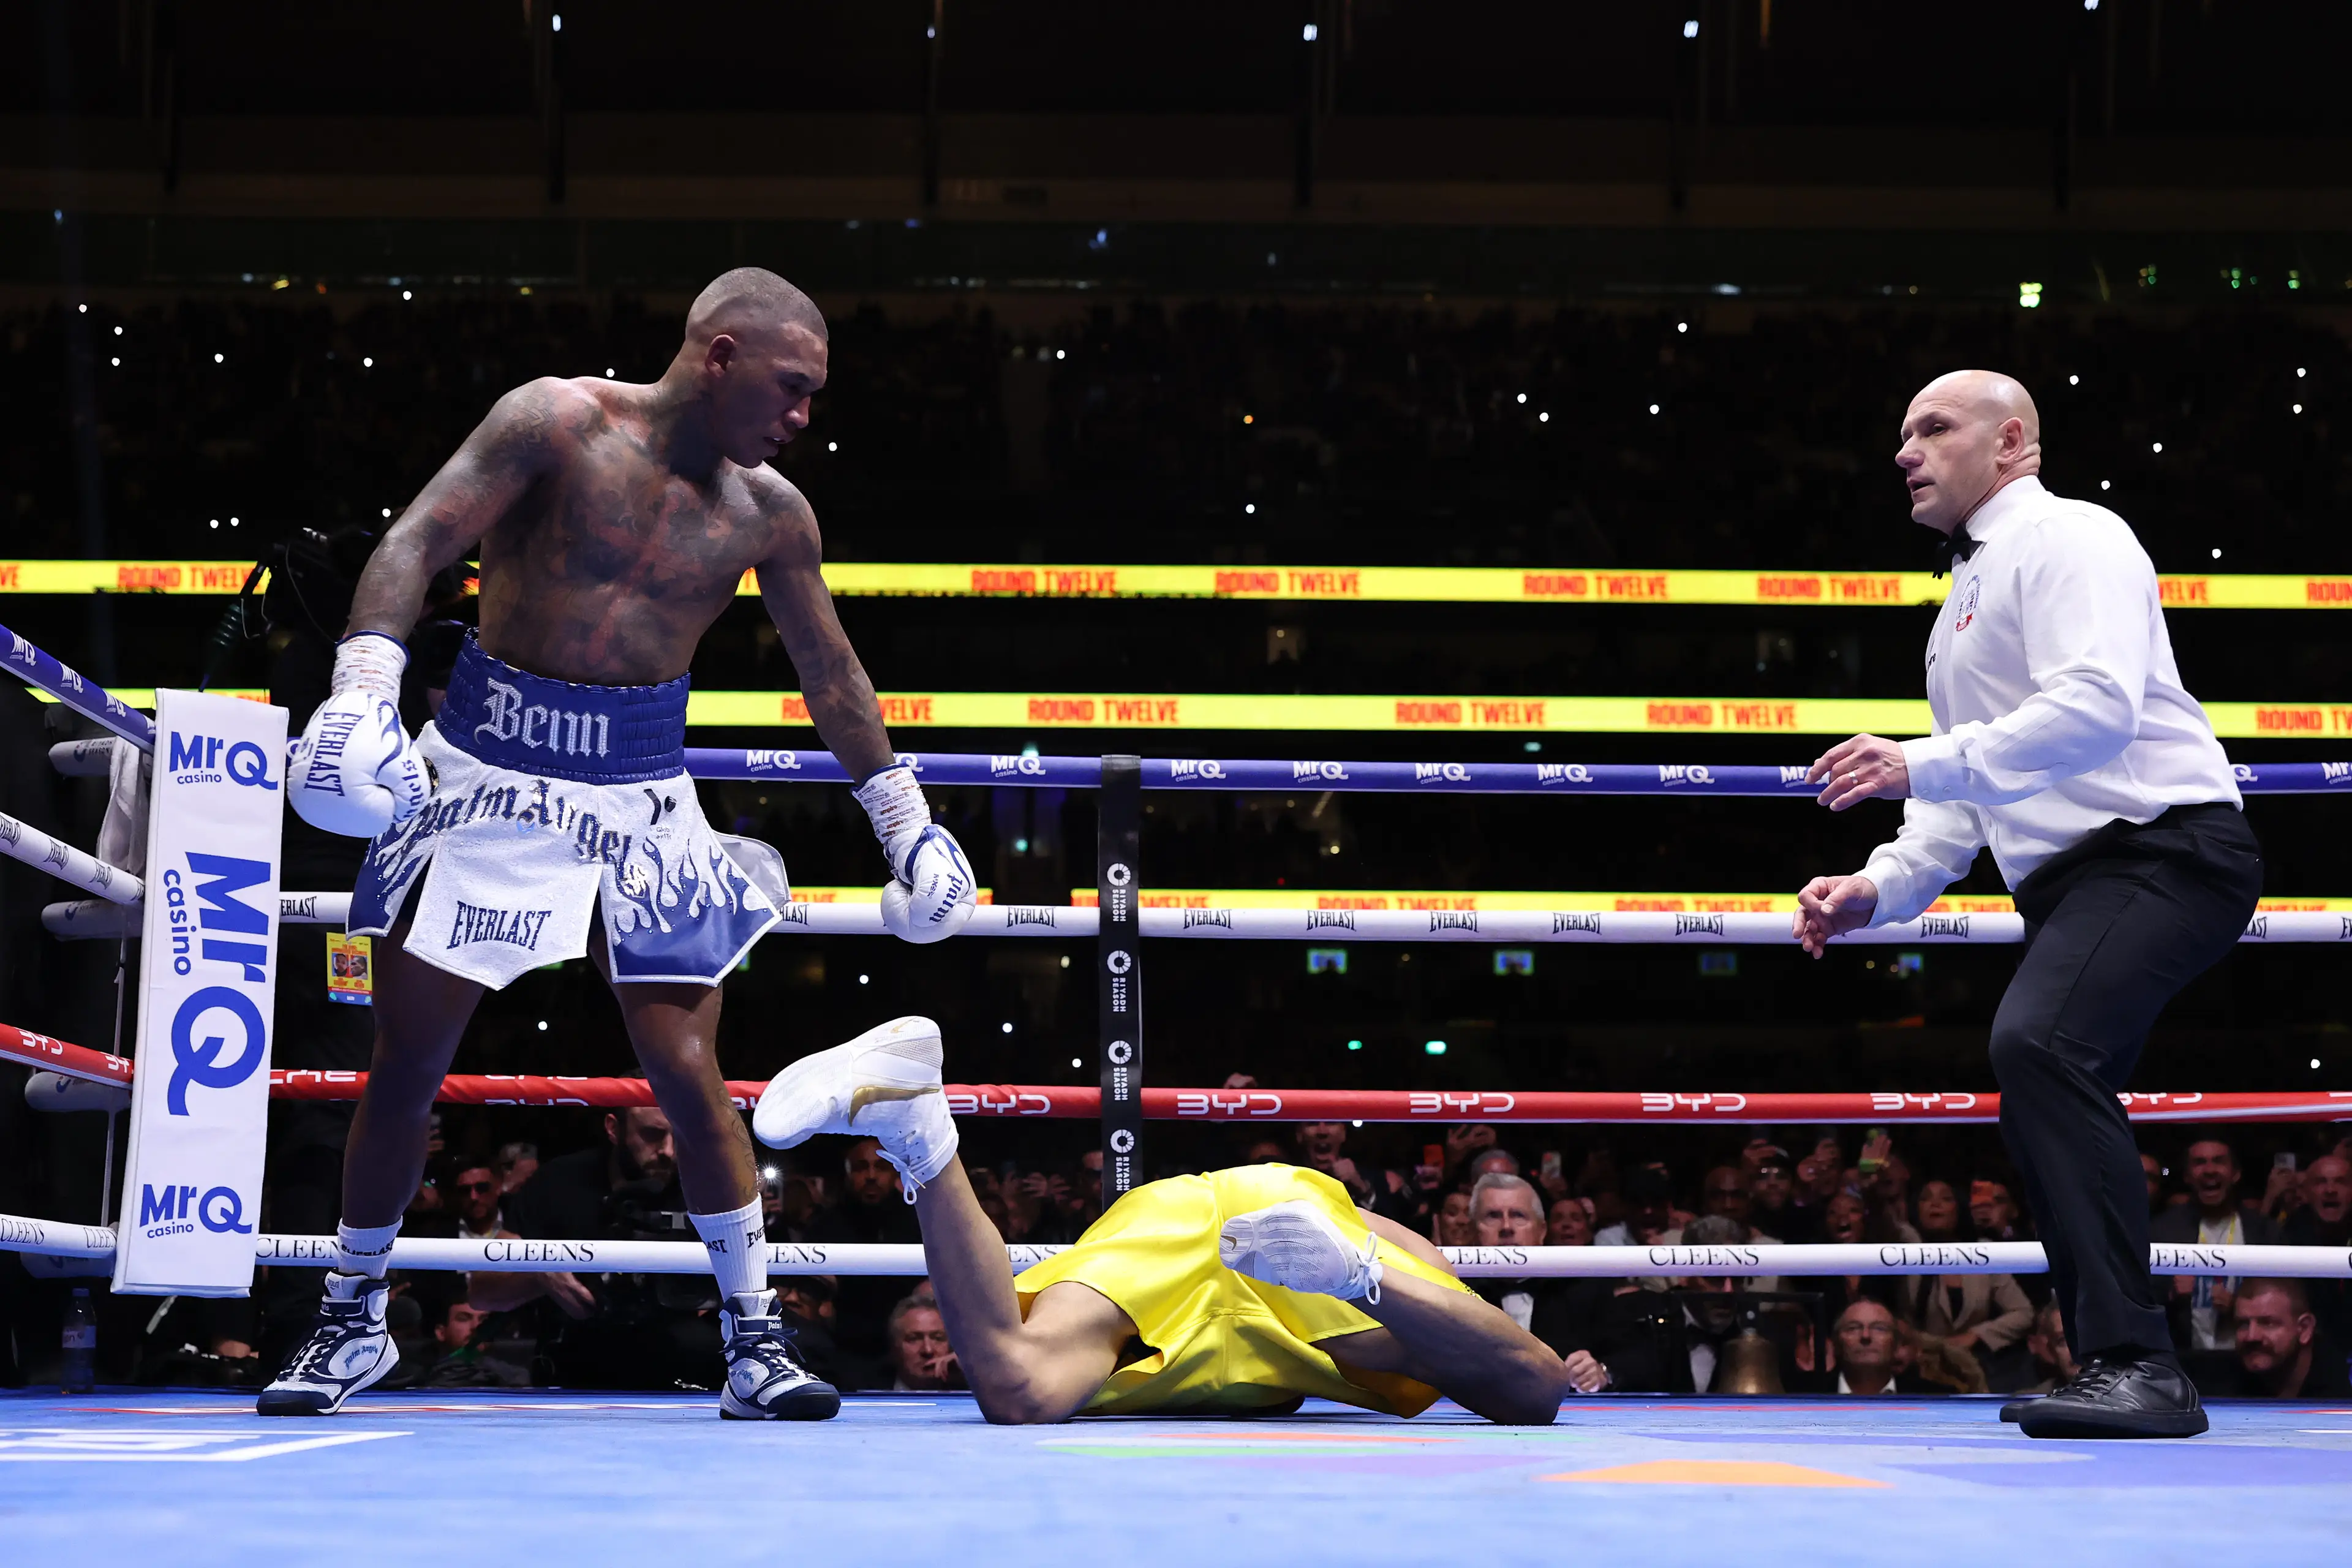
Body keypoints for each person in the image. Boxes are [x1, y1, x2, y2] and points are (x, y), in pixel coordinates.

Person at [260, 268, 979, 1420]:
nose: (802, 418)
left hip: (642, 787)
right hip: (490, 765)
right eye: (793, 389)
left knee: (690, 1076)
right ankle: (351, 1322)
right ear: (722, 354)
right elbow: (416, 539)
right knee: (408, 1065)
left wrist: (904, 816)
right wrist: (362, 685)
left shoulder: (770, 512)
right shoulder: (554, 420)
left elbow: (829, 671)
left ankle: (754, 1340)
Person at [1792, 370, 2261, 1439]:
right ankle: (2117, 1362)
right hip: (2077, 880)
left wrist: (1918, 762)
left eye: (1934, 428)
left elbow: (2095, 710)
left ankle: (2139, 1364)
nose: (1905, 450)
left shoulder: (2075, 538)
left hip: (2163, 848)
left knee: (2042, 1048)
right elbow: (1966, 800)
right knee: (2042, 1080)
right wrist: (1879, 885)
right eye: (1902, 431)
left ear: (2012, 444)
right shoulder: (1959, 607)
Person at [754, 1017, 1572, 1423]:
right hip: (1259, 1227)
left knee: (1016, 1387)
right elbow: (1534, 1383)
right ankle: (920, 1131)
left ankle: (921, 1129)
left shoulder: (1412, 1312)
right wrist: (1363, 1273)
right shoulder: (1419, 1270)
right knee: (1501, 1371)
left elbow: (1524, 1380)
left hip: (1267, 1288)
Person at [2151, 1138, 2283, 1360]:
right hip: (2183, 1363)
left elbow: (2288, 1300)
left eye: (2219, 1161)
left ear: (2235, 1174)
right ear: (2187, 1176)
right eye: (2199, 1162)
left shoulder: (2265, 1232)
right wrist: (2171, 1294)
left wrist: (2240, 1308)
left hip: (2252, 1362)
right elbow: (2136, 1302)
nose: (2209, 1170)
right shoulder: (2161, 1231)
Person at [2224, 1279, 2351, 1400]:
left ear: (2304, 1328)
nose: (2251, 1336)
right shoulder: (2222, 1388)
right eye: (2243, 1324)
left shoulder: (2341, 1397)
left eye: (2268, 1323)